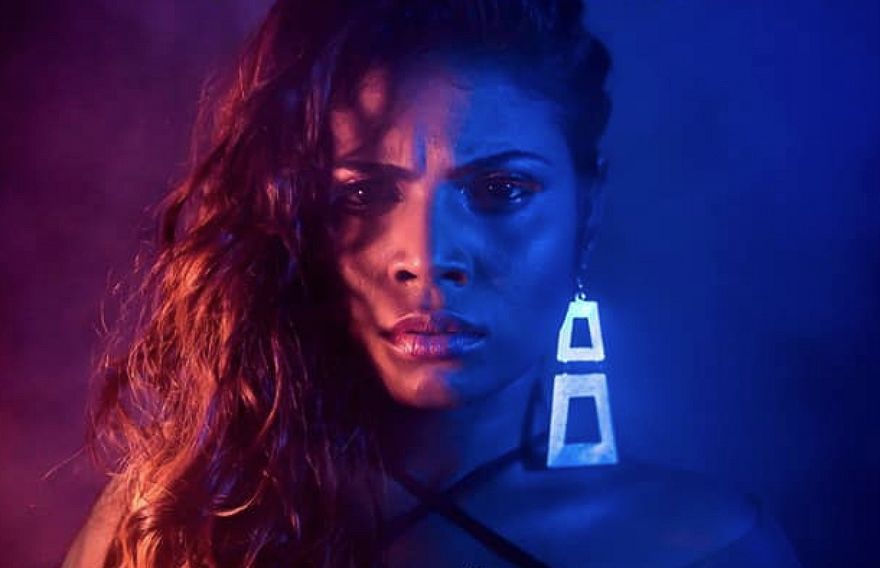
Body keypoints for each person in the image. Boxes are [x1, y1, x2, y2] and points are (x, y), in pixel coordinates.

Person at [64, 1, 802, 566]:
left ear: (589, 209)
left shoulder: (704, 547)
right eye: (364, 193)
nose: (425, 256)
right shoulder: (171, 525)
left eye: (501, 190)